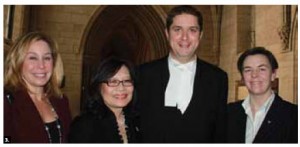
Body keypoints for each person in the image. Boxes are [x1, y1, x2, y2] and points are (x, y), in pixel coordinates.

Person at [136, 5, 228, 143]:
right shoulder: (143, 74)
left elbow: (220, 132)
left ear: (200, 35)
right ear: (167, 33)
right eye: (177, 30)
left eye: (192, 30)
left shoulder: (217, 78)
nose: (184, 37)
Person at [4, 32, 72, 143]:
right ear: (18, 62)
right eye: (32, 58)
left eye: (47, 58)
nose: (41, 65)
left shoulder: (61, 101)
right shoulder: (7, 102)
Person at [227, 47, 298, 143]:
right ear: (242, 77)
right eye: (248, 70)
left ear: (273, 74)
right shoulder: (228, 113)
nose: (254, 75)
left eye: (262, 69)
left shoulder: (294, 116)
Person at [68, 57, 140, 143]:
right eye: (113, 81)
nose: (121, 88)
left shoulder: (138, 121)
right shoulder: (84, 126)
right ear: (98, 86)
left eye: (127, 81)